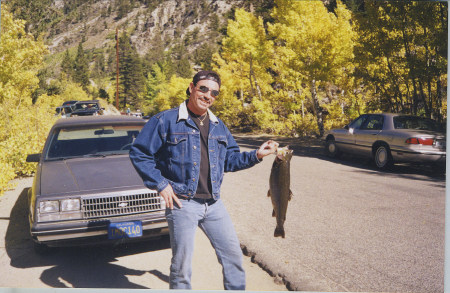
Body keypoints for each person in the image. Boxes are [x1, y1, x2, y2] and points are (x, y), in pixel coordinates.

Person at [129, 70, 278, 290]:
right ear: (192, 88)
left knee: (233, 259)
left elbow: (230, 160)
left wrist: (257, 154)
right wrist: (160, 184)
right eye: (204, 89)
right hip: (182, 203)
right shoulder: (165, 120)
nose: (208, 95)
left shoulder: (219, 126)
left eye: (214, 93)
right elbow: (140, 153)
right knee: (181, 267)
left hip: (214, 204)